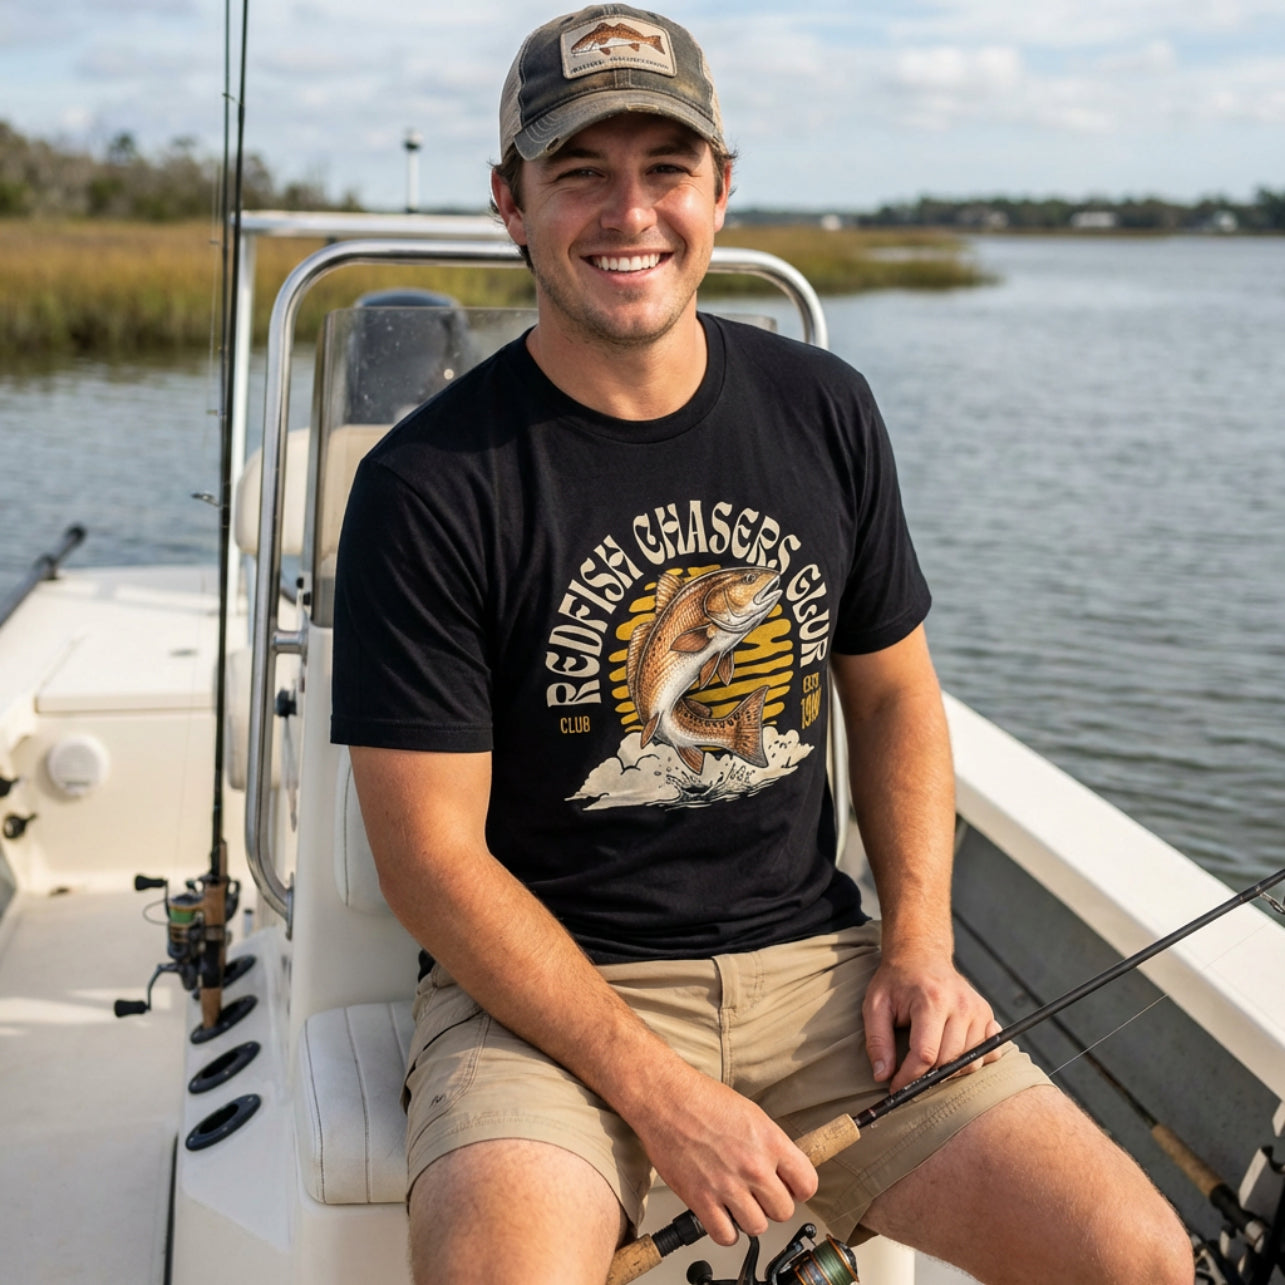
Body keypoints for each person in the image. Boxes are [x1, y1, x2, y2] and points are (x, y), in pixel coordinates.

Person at [331, 7, 1192, 1283]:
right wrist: (661, 1094)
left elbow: (896, 699)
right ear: (510, 203)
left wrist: (916, 947)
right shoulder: (428, 483)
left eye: (665, 170)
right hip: (547, 1008)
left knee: (1135, 1258)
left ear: (720, 193)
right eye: (580, 174)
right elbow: (432, 862)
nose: (630, 214)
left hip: (820, 973)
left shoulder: (823, 408)